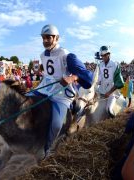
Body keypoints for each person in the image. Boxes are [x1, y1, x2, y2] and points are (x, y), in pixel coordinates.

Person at [32, 24, 93, 155]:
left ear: (56, 38)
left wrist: (72, 78)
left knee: (56, 125)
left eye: (48, 37)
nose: (45, 41)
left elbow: (88, 76)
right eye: (43, 38)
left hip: (61, 94)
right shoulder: (43, 54)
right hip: (44, 88)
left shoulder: (66, 55)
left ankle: (47, 149)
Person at [97, 46, 124, 117]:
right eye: (102, 55)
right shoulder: (100, 65)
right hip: (101, 91)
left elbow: (119, 82)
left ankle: (114, 121)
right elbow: (99, 79)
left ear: (109, 54)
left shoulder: (115, 64)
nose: (103, 57)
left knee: (108, 110)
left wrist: (109, 92)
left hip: (112, 93)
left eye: (105, 55)